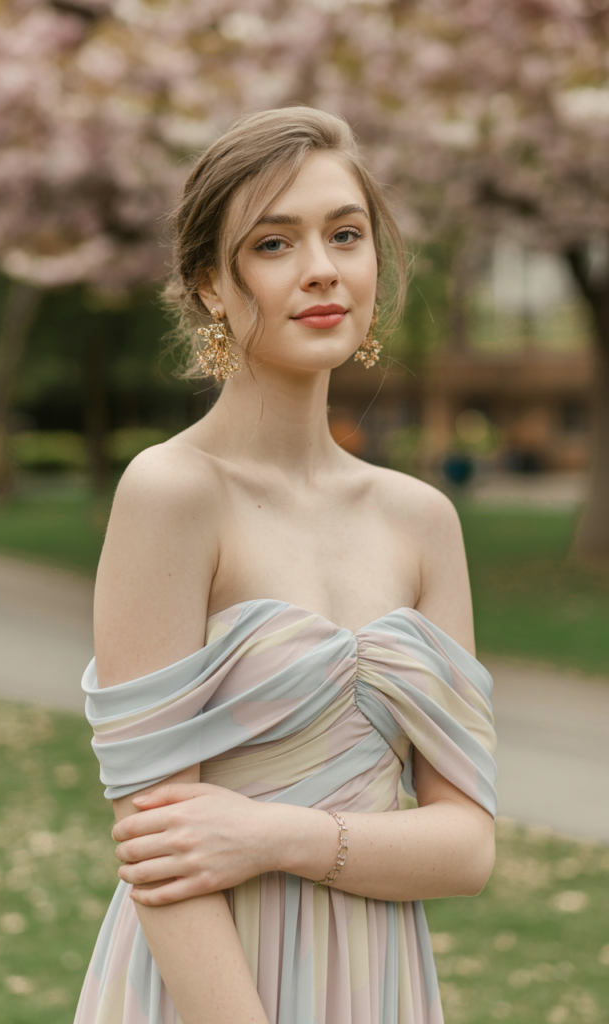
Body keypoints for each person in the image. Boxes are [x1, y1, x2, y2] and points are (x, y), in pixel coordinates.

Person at [75, 107, 497, 1024]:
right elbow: (160, 853)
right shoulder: (171, 493)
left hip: (379, 984)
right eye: (274, 243)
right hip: (207, 987)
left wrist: (275, 835)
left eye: (345, 234)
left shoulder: (423, 520)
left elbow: (467, 847)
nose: (322, 268)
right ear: (211, 287)